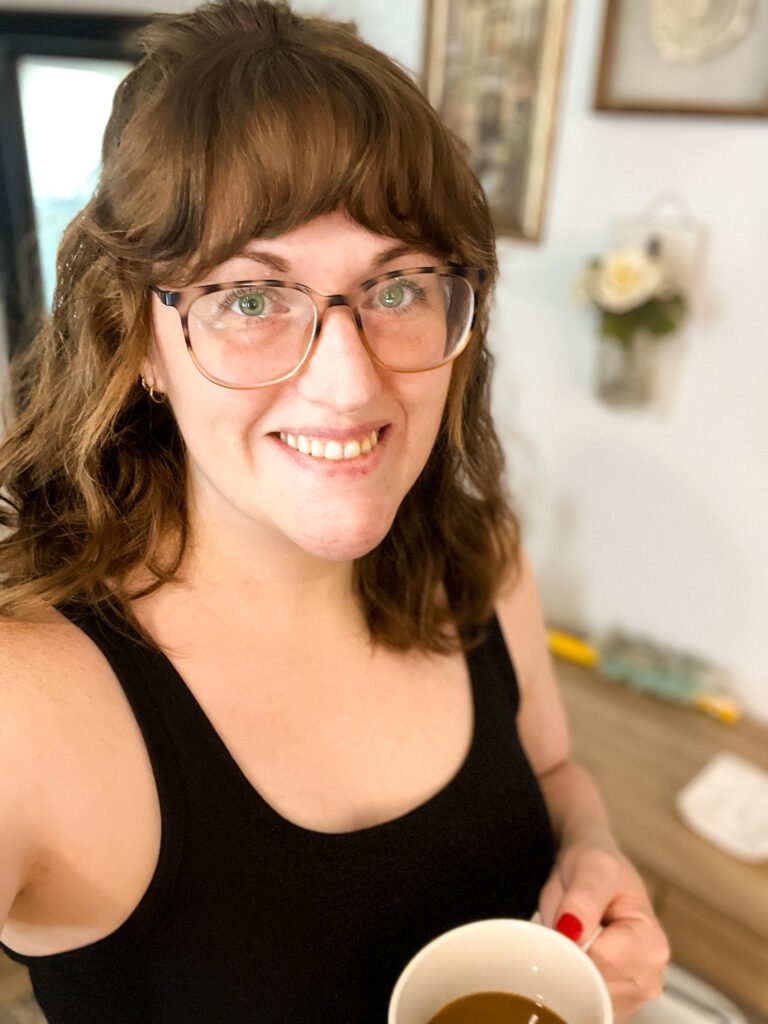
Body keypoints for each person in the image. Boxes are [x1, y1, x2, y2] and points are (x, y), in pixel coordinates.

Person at [0, 2, 669, 1021]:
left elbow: (555, 767)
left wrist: (593, 848)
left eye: (397, 286)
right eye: (252, 299)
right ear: (136, 339)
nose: (349, 387)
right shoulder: (29, 697)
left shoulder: (476, 556)